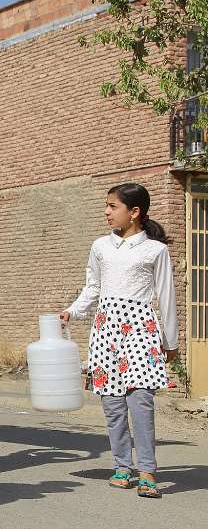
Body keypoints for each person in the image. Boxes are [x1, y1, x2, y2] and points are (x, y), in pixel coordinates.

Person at [59, 183, 178, 499]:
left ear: (134, 212)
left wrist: (171, 342)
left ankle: (148, 471)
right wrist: (72, 311)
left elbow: (166, 297)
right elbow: (93, 287)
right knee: (112, 402)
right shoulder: (100, 247)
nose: (107, 212)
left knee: (141, 399)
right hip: (106, 328)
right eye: (107, 205)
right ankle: (123, 466)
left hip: (141, 328)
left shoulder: (156, 250)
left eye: (113, 206)